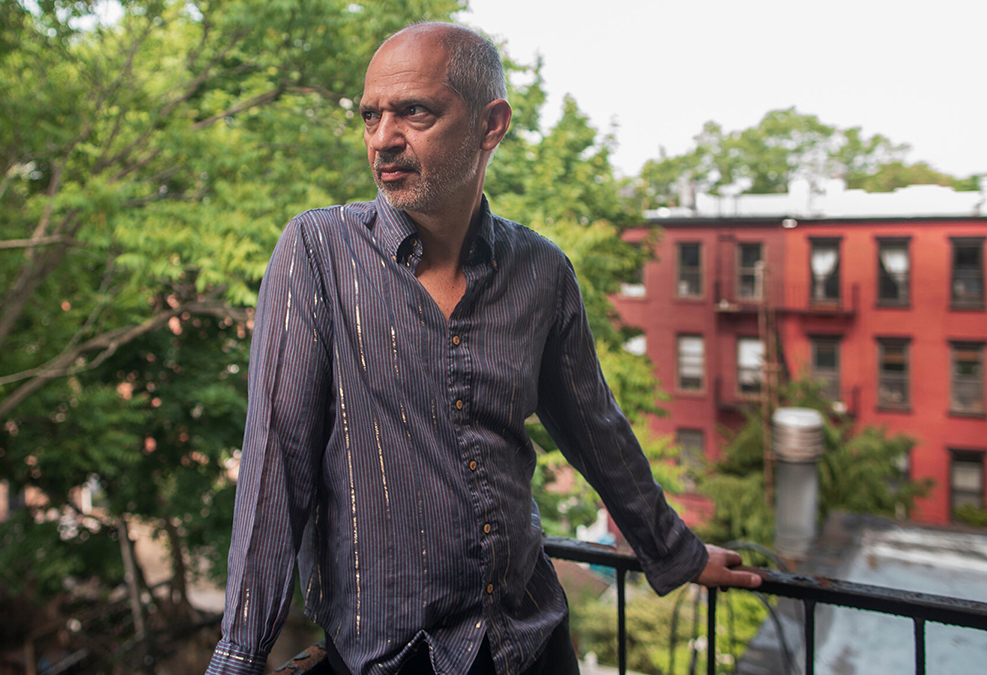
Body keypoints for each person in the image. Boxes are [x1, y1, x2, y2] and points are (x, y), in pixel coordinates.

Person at [205, 21, 761, 675]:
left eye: (414, 112)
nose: (383, 138)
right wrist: (237, 657)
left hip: (530, 639)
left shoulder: (542, 272)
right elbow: (278, 463)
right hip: (391, 655)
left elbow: (597, 431)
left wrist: (680, 552)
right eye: (370, 115)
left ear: (489, 124)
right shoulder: (318, 252)